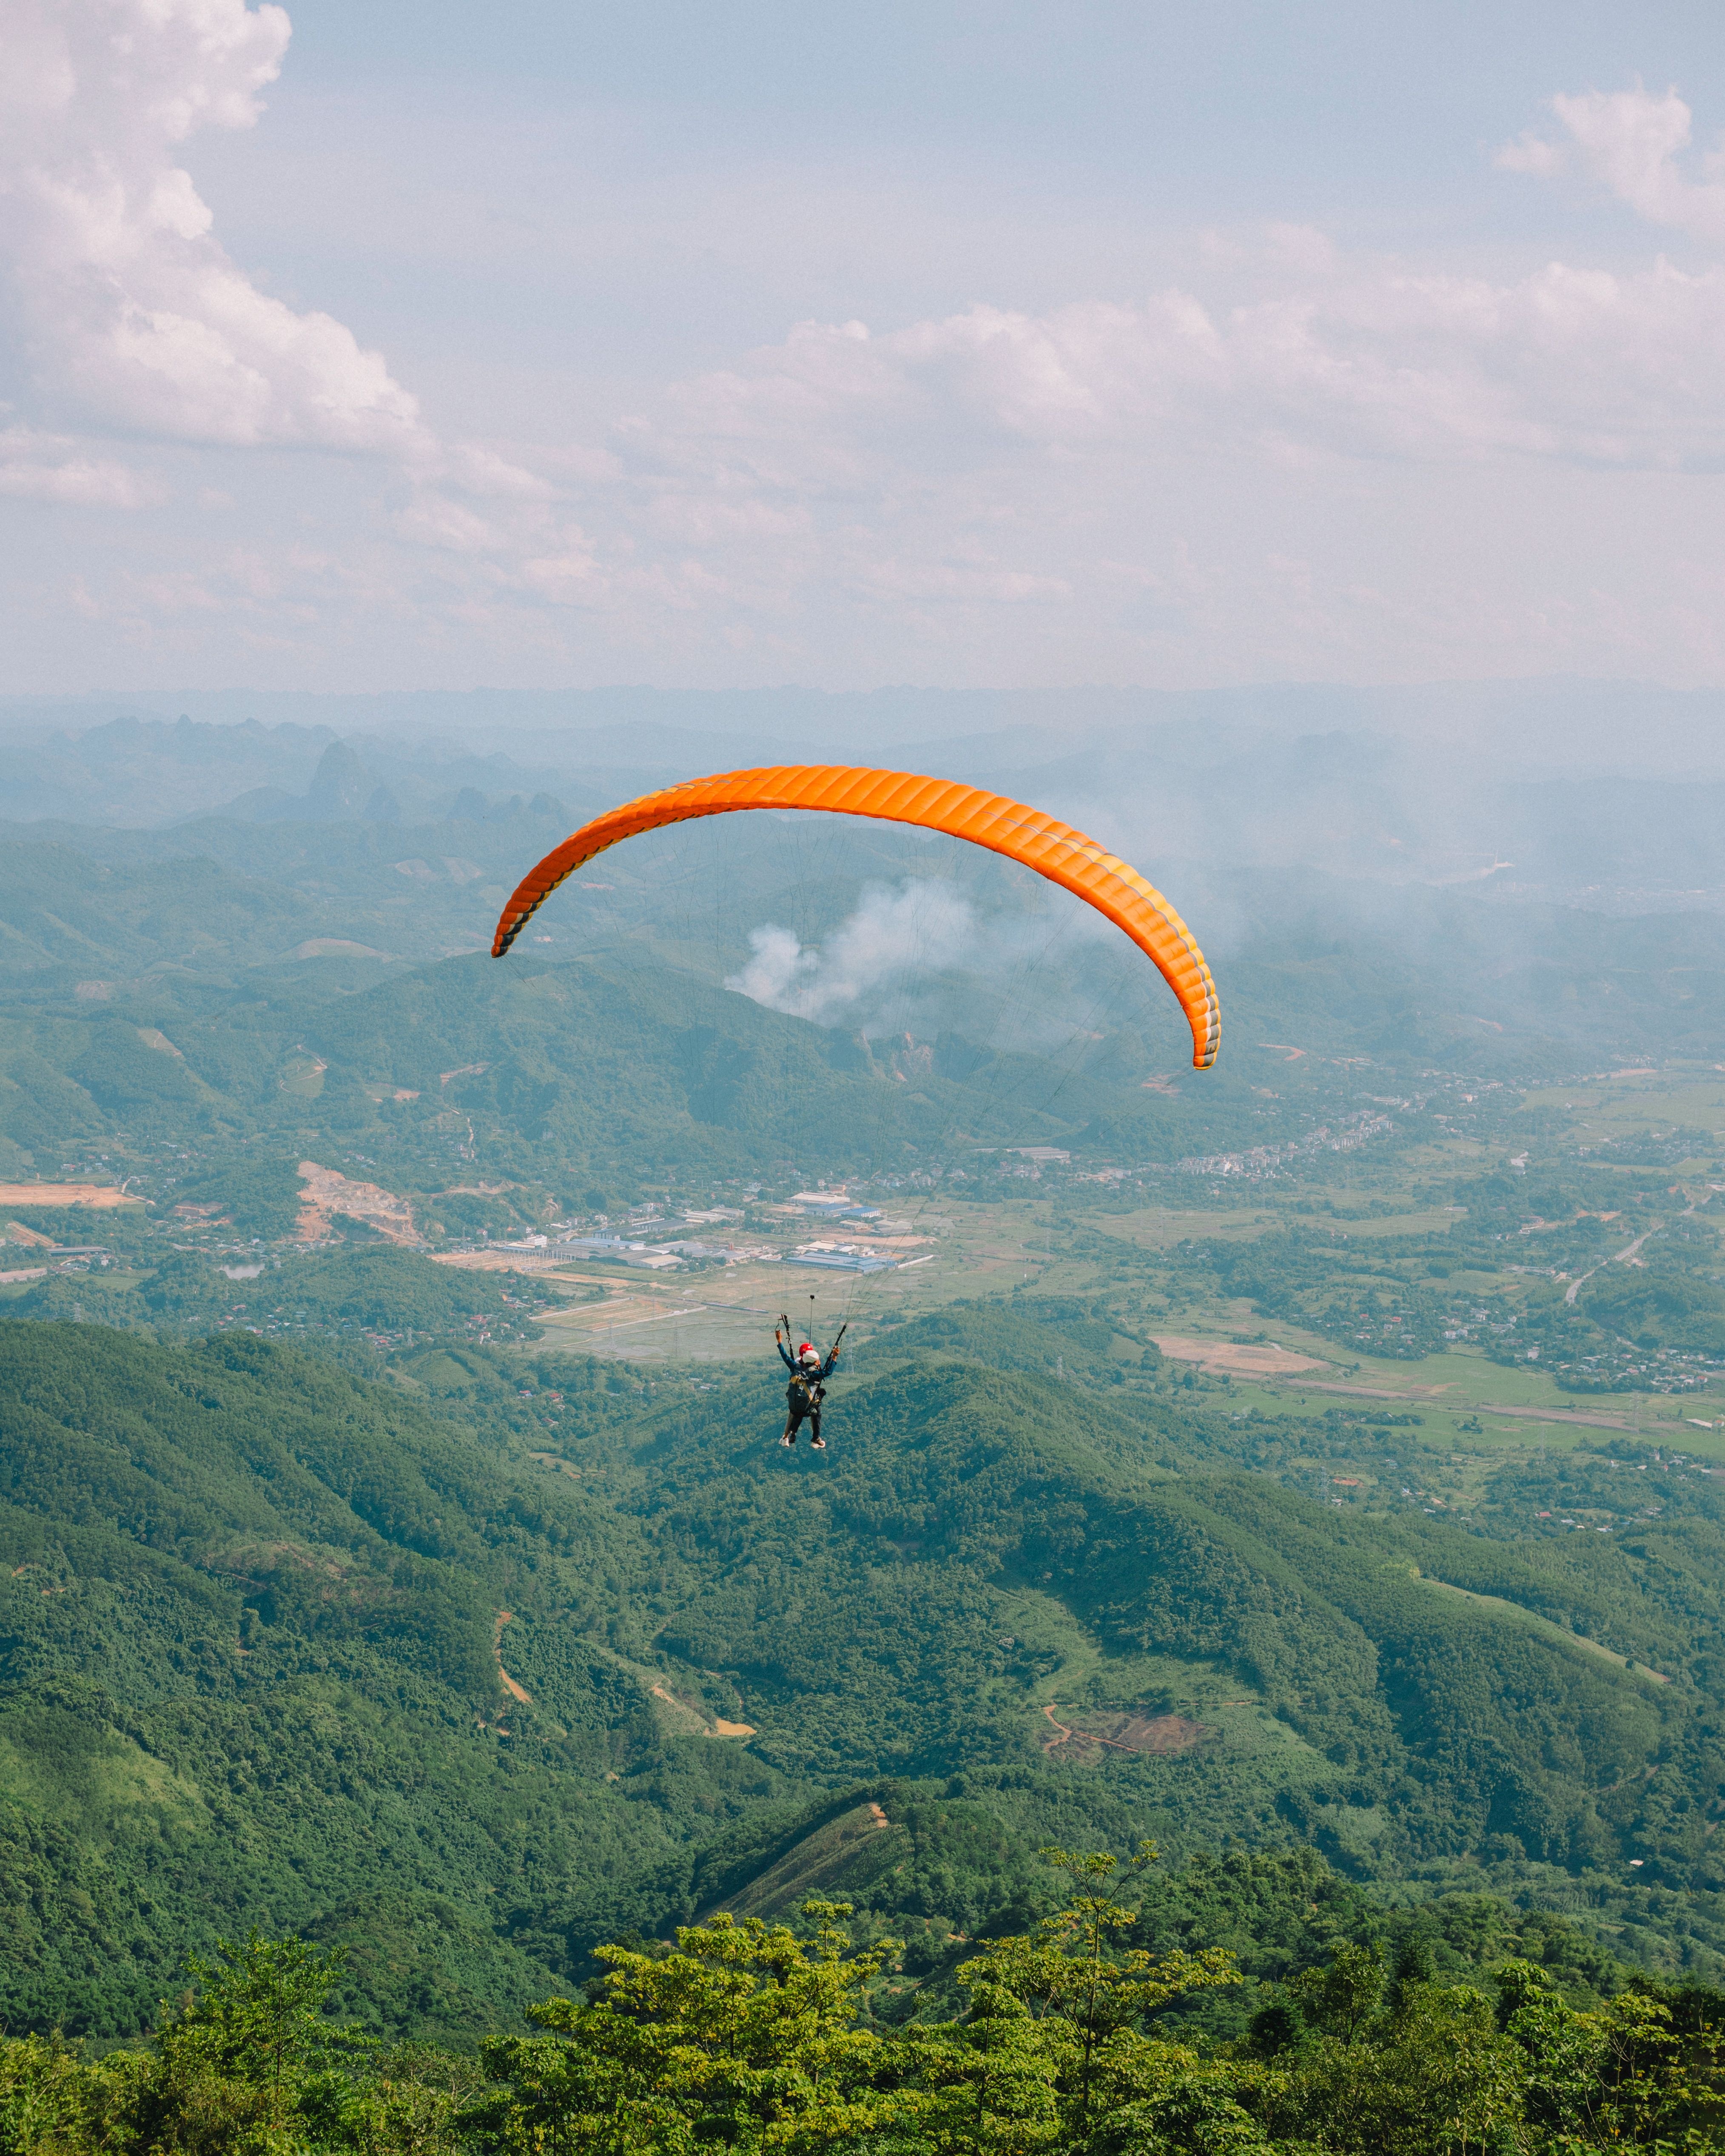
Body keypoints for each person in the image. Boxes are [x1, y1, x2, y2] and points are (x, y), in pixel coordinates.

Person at [776, 1316, 841, 1448]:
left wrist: (780, 1342)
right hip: (806, 1406)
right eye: (817, 1361)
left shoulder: (794, 1366)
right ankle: (816, 1438)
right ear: (813, 1362)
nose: (819, 1362)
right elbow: (828, 1372)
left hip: (794, 1405)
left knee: (797, 1413)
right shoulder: (814, 1374)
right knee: (817, 1411)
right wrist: (834, 1358)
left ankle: (790, 1435)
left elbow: (785, 1357)